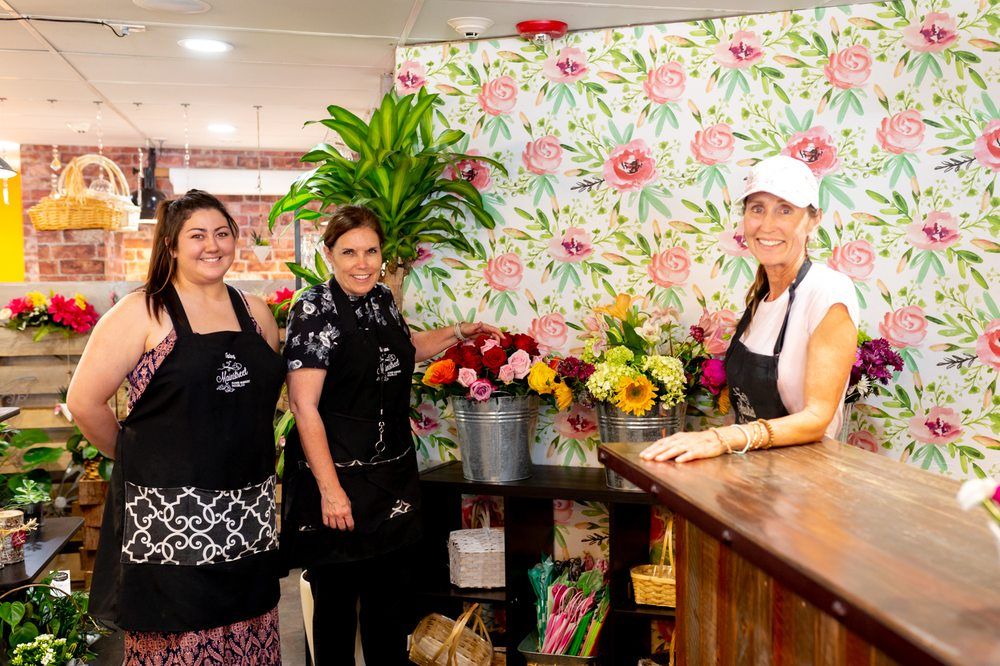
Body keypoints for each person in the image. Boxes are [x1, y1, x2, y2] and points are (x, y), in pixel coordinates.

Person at [67, 190, 285, 664]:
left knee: (251, 638)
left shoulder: (256, 312)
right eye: (198, 235)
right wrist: (134, 459)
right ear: (170, 245)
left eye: (222, 234)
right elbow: (83, 403)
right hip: (171, 523)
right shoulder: (143, 312)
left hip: (248, 514)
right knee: (182, 647)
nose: (213, 245)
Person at [280, 205, 500, 665]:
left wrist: (458, 332)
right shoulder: (313, 308)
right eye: (349, 252)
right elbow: (304, 405)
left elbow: (402, 350)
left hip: (391, 476)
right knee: (336, 610)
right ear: (328, 255)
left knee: (390, 608)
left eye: (371, 251)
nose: (362, 263)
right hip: (336, 477)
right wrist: (331, 490)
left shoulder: (381, 298)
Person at [641, 154, 858, 463]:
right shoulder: (761, 297)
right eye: (757, 209)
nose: (767, 225)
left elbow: (817, 417)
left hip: (802, 486)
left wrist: (720, 438)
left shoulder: (827, 290)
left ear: (813, 220)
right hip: (753, 477)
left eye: (785, 210)